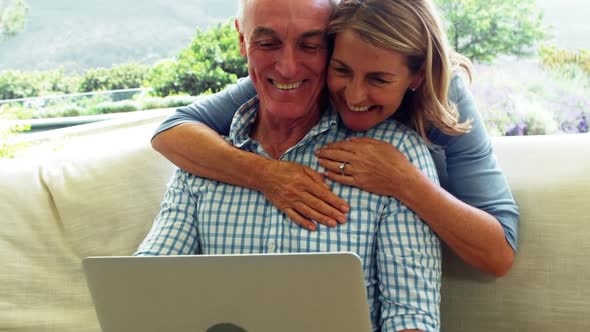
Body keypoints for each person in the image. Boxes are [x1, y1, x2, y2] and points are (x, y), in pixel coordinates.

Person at [151, 0, 519, 277]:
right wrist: (268, 175)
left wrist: (405, 181)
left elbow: (498, 253)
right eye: (341, 70)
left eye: (378, 79)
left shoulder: (446, 97)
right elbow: (171, 133)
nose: (354, 96)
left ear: (417, 77)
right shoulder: (295, 77)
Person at [136, 0, 442, 330]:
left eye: (310, 46)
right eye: (267, 44)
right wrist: (263, 173)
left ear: (331, 49)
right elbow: (145, 290)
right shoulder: (205, 158)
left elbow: (412, 316)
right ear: (242, 41)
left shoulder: (393, 157)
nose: (288, 68)